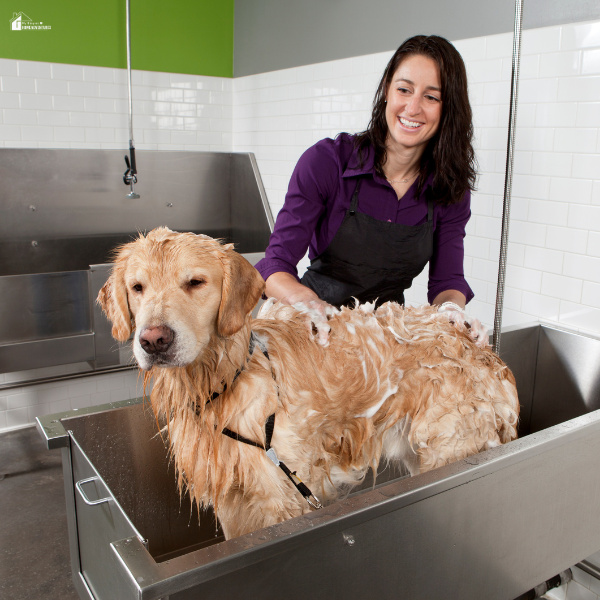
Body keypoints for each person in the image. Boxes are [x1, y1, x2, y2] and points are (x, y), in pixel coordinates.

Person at [255, 35, 487, 345]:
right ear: (387, 93)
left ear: (449, 110)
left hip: (385, 343)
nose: (413, 107)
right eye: (404, 90)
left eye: (432, 97)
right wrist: (306, 303)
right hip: (311, 331)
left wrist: (451, 310)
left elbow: (447, 282)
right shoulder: (328, 162)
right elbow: (275, 265)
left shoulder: (449, 188)